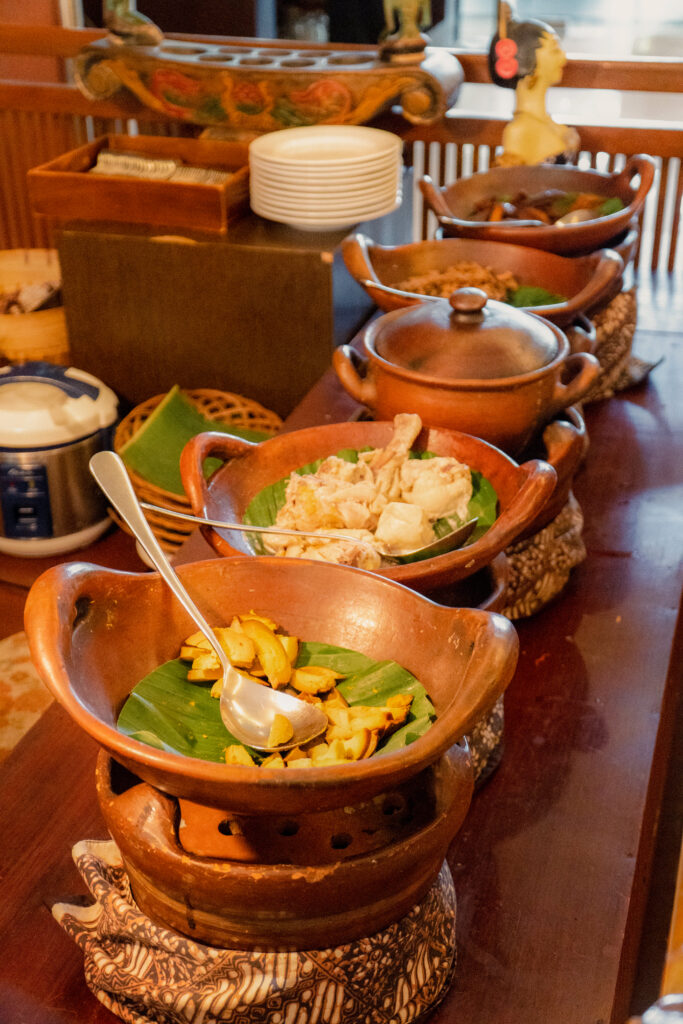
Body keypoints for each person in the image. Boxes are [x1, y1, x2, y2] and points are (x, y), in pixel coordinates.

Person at [488, 7, 579, 165]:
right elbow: (514, 187)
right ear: (528, 64)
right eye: (555, 50)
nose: (563, 57)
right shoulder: (517, 132)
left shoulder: (546, 123)